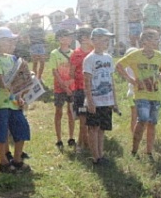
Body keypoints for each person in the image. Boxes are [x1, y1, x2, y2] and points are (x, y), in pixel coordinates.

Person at [116, 29, 161, 160]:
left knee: (152, 123)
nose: (157, 41)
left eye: (158, 39)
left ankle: (149, 152)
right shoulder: (136, 55)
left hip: (156, 95)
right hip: (141, 94)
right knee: (143, 119)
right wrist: (130, 79)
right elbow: (119, 65)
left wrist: (160, 77)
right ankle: (134, 150)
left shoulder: (159, 55)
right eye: (155, 39)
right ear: (145, 41)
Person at [0, 27, 32, 173]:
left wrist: (20, 96)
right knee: (1, 133)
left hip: (13, 102)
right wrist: (14, 90)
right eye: (8, 40)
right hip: (0, 103)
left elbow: (16, 81)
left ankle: (17, 159)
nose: (11, 43)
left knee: (22, 128)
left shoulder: (11, 58)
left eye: (12, 40)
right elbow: (2, 81)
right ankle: (4, 162)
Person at [82, 28, 117, 165]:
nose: (106, 43)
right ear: (94, 41)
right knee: (93, 128)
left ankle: (101, 155)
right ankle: (95, 157)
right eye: (103, 40)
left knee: (102, 128)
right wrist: (90, 101)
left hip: (106, 100)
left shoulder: (108, 58)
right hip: (95, 100)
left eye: (107, 40)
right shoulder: (89, 59)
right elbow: (87, 81)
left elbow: (111, 79)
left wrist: (114, 100)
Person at [47, 29, 76, 149]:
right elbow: (54, 71)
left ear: (71, 39)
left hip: (72, 87)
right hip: (59, 88)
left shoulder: (74, 53)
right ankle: (59, 139)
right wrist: (64, 85)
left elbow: (76, 71)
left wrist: (69, 83)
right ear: (58, 39)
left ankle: (71, 137)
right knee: (58, 112)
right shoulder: (54, 53)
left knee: (71, 113)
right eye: (62, 37)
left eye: (68, 37)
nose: (65, 39)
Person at [70, 26, 94, 151]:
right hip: (80, 92)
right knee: (83, 117)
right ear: (84, 39)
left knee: (92, 118)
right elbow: (72, 73)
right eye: (92, 36)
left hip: (94, 91)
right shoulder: (76, 54)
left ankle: (88, 142)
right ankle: (81, 143)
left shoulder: (95, 52)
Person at [28, 14, 47, 81]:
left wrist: (44, 43)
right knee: (35, 63)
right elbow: (29, 38)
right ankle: (35, 78)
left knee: (42, 62)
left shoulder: (41, 28)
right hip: (34, 46)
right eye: (37, 18)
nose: (38, 19)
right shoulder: (30, 28)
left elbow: (43, 37)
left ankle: (39, 77)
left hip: (41, 46)